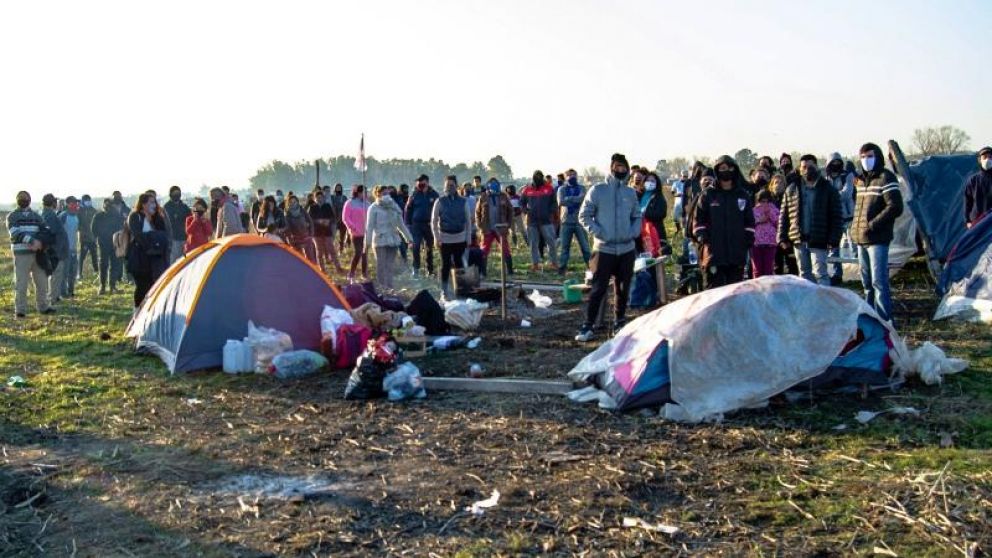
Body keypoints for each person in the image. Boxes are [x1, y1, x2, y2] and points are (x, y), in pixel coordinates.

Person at [575, 153, 641, 342]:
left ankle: (620, 322)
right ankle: (588, 325)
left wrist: (633, 232)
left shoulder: (630, 193)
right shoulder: (598, 190)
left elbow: (637, 215)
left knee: (623, 288)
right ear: (611, 168)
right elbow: (584, 215)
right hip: (603, 249)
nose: (621, 170)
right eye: (618, 167)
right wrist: (599, 232)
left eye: (624, 168)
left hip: (626, 249)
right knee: (598, 288)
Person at [851, 142, 904, 322]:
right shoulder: (860, 181)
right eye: (863, 157)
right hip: (861, 239)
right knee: (867, 284)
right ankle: (869, 319)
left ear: (878, 157)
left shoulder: (886, 177)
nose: (866, 160)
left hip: (877, 239)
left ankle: (885, 322)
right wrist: (855, 229)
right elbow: (859, 208)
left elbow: (895, 206)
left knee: (879, 283)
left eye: (870, 156)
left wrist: (873, 224)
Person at [777, 155, 843, 286]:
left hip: (819, 239)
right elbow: (783, 215)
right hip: (799, 239)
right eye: (804, 167)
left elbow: (836, 215)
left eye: (810, 166)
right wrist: (782, 237)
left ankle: (823, 305)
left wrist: (834, 238)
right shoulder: (792, 189)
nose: (807, 170)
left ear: (817, 167)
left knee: (821, 274)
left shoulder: (828, 189)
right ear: (800, 169)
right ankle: (808, 305)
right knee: (804, 275)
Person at [692, 155, 755, 289]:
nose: (727, 171)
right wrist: (703, 236)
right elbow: (698, 220)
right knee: (713, 292)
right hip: (714, 253)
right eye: (723, 168)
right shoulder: (708, 195)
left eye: (730, 168)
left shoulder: (742, 195)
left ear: (735, 170)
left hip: (736, 253)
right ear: (717, 170)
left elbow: (749, 221)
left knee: (735, 292)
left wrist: (748, 238)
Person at [7, 191, 53, 317]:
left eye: (25, 198)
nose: (23, 200)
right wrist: (32, 241)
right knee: (21, 283)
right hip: (21, 255)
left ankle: (43, 307)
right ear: (17, 200)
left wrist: (40, 242)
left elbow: (46, 231)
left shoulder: (37, 216)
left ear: (30, 200)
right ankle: (20, 310)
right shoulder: (12, 216)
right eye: (21, 198)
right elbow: (15, 233)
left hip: (38, 254)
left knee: (42, 282)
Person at [431, 175, 473, 297]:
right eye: (448, 185)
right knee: (445, 265)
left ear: (456, 186)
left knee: (459, 264)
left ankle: (460, 289)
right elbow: (433, 221)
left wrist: (468, 237)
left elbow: (468, 221)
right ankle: (444, 290)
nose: (450, 187)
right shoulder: (439, 201)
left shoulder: (463, 201)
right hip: (444, 238)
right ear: (444, 186)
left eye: (452, 185)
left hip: (460, 238)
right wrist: (436, 237)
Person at [365, 185, 413, 290]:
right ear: (377, 194)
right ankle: (382, 288)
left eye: (388, 194)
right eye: (384, 194)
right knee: (381, 265)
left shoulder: (394, 206)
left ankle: (390, 287)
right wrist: (367, 244)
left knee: (390, 266)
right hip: (380, 240)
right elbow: (369, 227)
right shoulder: (373, 208)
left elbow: (401, 225)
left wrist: (409, 239)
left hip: (393, 240)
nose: (387, 196)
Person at [126, 193, 169, 308]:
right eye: (151, 202)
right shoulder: (135, 216)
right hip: (139, 258)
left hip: (155, 259)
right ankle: (137, 311)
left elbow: (165, 235)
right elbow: (138, 236)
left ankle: (150, 310)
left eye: (154, 202)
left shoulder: (157, 217)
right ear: (143, 204)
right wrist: (152, 240)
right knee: (142, 286)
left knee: (153, 285)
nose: (154, 205)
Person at [825, 152, 856, 284]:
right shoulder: (825, 179)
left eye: (838, 162)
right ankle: (836, 274)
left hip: (849, 216)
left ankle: (862, 272)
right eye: (833, 162)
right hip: (833, 218)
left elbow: (847, 193)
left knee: (854, 246)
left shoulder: (847, 175)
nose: (836, 165)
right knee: (833, 248)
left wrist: (831, 196)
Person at [520, 170, 559, 271]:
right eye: (536, 176)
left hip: (546, 221)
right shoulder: (527, 189)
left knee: (551, 242)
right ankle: (535, 264)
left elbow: (554, 203)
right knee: (533, 243)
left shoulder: (549, 188)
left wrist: (550, 212)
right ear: (533, 177)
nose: (538, 178)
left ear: (542, 177)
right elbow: (521, 203)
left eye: (540, 176)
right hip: (531, 221)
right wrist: (525, 211)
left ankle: (553, 263)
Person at [476, 177, 514, 276]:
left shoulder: (503, 196)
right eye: (492, 184)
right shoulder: (483, 197)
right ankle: (482, 272)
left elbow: (510, 210)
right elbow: (477, 212)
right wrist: (480, 225)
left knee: (505, 249)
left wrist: (508, 224)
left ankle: (510, 271)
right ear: (488, 186)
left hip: (501, 228)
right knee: (483, 250)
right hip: (487, 228)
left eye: (496, 184)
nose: (494, 185)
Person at [556, 169, 591, 275]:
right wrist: (575, 198)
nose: (572, 176)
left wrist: (569, 198)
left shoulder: (582, 188)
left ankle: (591, 267)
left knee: (585, 247)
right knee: (565, 247)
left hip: (580, 221)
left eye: (574, 174)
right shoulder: (561, 189)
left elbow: (582, 199)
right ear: (565, 177)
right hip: (566, 221)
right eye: (569, 175)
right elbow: (561, 201)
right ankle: (562, 268)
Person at [405, 174, 439, 276]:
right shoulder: (414, 194)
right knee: (416, 246)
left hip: (429, 225)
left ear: (427, 182)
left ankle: (430, 270)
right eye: (418, 182)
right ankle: (416, 269)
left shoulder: (434, 194)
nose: (419, 184)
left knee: (429, 248)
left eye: (422, 182)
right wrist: (408, 224)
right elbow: (408, 210)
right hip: (417, 225)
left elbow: (438, 210)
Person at [40, 194, 68, 306]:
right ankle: (52, 298)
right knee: (55, 275)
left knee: (57, 275)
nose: (56, 204)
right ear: (52, 203)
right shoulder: (50, 215)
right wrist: (56, 250)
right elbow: (52, 233)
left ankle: (55, 296)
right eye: (55, 201)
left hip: (55, 250)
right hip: (55, 251)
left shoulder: (49, 214)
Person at [92, 198, 122, 294]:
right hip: (104, 243)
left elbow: (121, 228)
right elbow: (93, 229)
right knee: (104, 265)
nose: (108, 206)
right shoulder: (99, 215)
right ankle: (103, 286)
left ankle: (111, 286)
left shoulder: (116, 215)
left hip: (114, 243)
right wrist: (98, 237)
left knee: (113, 265)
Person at [634, 171, 668, 256]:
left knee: (658, 259)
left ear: (657, 183)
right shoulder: (640, 195)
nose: (650, 183)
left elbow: (661, 213)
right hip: (641, 232)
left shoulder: (659, 197)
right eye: (648, 181)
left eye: (652, 181)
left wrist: (645, 213)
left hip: (655, 232)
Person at [307, 189, 342, 273]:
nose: (319, 199)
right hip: (316, 232)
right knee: (319, 251)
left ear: (324, 198)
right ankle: (322, 269)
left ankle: (338, 267)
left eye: (321, 197)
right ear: (315, 199)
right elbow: (309, 219)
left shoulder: (327, 206)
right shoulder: (312, 207)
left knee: (331, 249)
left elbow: (332, 217)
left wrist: (328, 221)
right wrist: (318, 221)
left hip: (327, 231)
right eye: (317, 197)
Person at [343, 184, 370, 281]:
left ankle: (364, 273)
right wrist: (353, 227)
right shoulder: (350, 203)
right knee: (358, 252)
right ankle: (351, 273)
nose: (366, 194)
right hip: (356, 233)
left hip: (366, 232)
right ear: (358, 192)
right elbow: (345, 218)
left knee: (364, 253)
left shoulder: (367, 204)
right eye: (364, 192)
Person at [751, 190, 780, 278]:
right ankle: (757, 290)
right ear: (758, 200)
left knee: (768, 270)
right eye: (762, 201)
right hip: (756, 243)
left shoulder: (774, 209)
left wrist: (770, 214)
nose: (765, 203)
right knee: (757, 270)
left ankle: (768, 290)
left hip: (770, 243)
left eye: (767, 201)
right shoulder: (753, 210)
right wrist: (759, 220)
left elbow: (778, 223)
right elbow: (749, 223)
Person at [58, 196, 81, 298]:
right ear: (68, 204)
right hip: (64, 249)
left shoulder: (76, 216)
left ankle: (71, 290)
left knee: (73, 271)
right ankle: (63, 292)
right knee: (64, 272)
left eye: (76, 203)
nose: (75, 205)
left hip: (73, 248)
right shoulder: (63, 216)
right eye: (73, 203)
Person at [283, 194, 317, 264]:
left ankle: (313, 273)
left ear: (297, 202)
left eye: (294, 201)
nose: (293, 203)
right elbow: (287, 230)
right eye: (291, 202)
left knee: (311, 259)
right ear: (288, 203)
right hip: (296, 240)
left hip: (307, 237)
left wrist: (311, 234)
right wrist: (290, 241)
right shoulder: (287, 215)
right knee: (299, 260)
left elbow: (310, 222)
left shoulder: (302, 211)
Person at [964, 146, 992, 228]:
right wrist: (967, 221)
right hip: (977, 222)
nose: (987, 159)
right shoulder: (973, 180)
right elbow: (967, 202)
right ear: (980, 160)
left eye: (990, 157)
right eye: (985, 157)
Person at [164, 186, 191, 264]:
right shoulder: (167, 207)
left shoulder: (184, 206)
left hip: (185, 238)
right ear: (170, 194)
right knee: (173, 262)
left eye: (178, 193)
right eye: (174, 193)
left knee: (185, 260)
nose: (177, 195)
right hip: (173, 239)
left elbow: (189, 218)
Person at [77, 194, 98, 280]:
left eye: (89, 200)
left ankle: (96, 272)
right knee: (82, 257)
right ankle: (79, 273)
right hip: (84, 238)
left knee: (94, 256)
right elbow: (78, 224)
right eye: (86, 200)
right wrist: (82, 231)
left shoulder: (93, 210)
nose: (88, 202)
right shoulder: (79, 211)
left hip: (93, 238)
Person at [460, 182, 479, 246]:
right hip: (464, 224)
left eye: (469, 187)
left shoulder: (474, 198)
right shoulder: (460, 199)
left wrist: (475, 218)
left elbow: (477, 209)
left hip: (473, 223)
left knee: (473, 241)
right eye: (466, 186)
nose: (467, 188)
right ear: (463, 188)